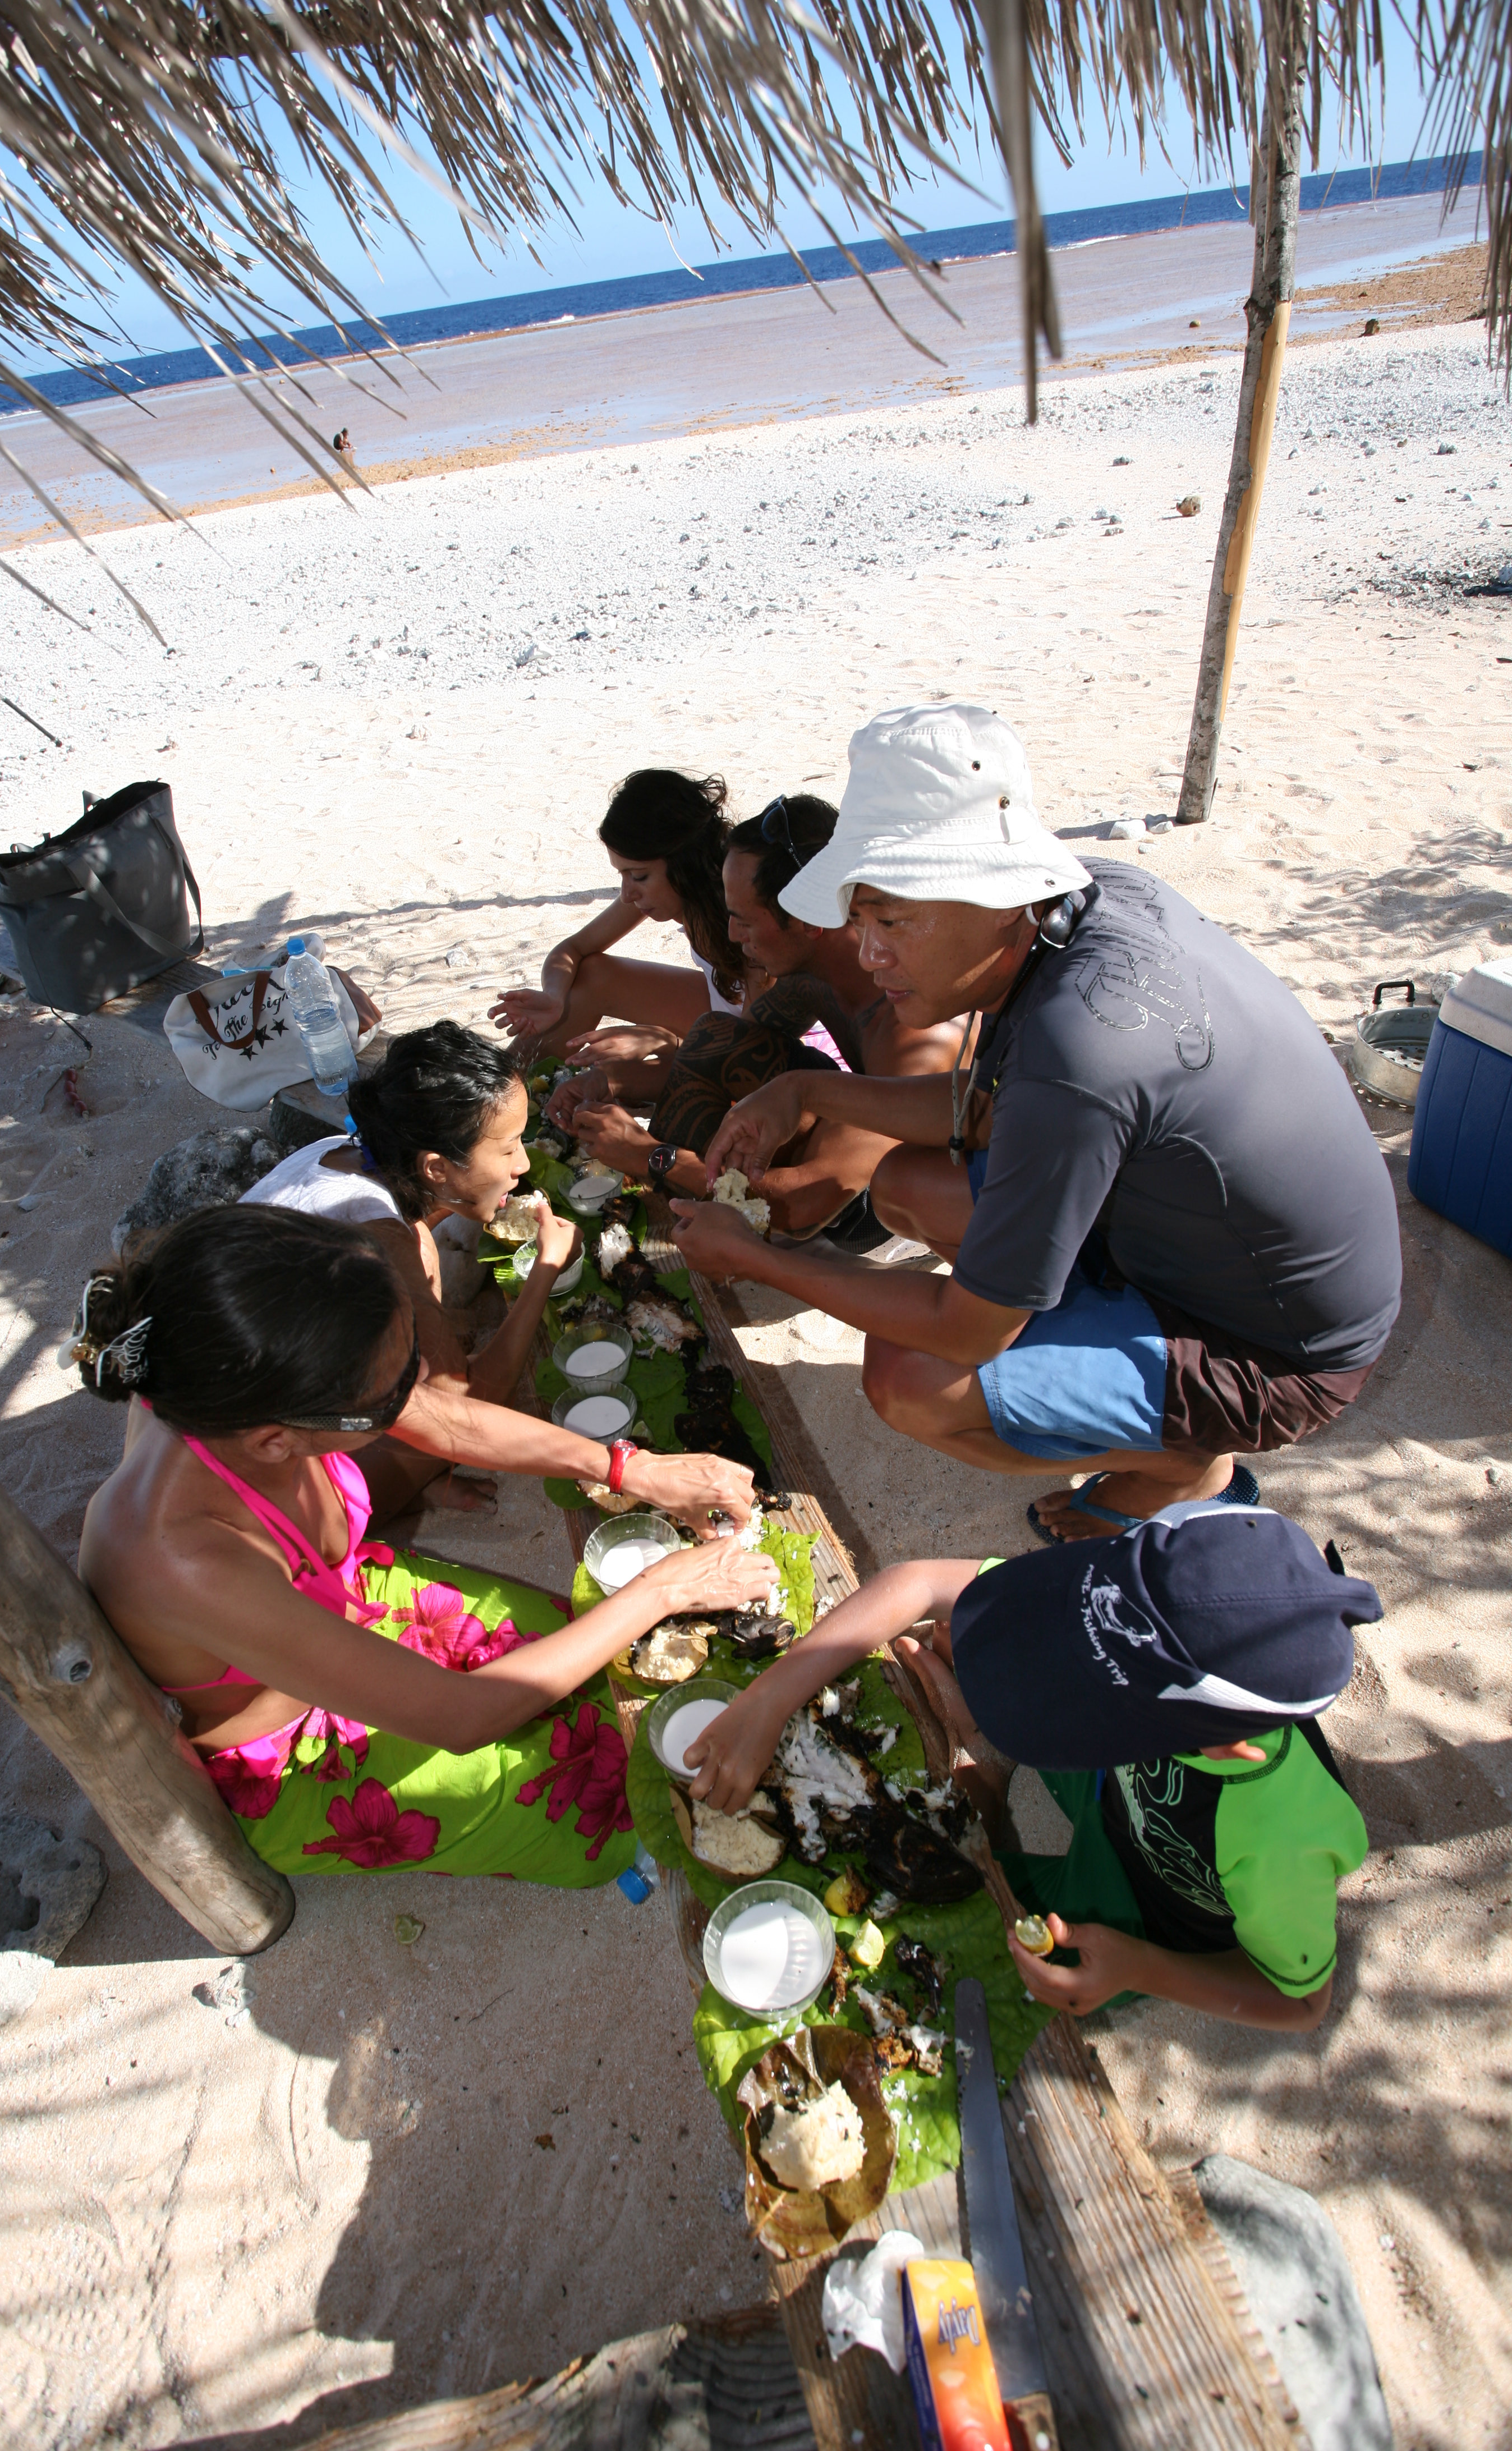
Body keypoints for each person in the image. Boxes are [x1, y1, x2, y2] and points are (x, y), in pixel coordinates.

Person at [670, 701, 1403, 1542]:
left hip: (1277, 1352)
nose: (870, 954)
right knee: (905, 1180)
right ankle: (1093, 1359)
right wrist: (804, 1095)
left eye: (895, 920)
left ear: (995, 894)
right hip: (1197, 1248)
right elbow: (984, 1114)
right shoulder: (1087, 897)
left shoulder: (1081, 1050)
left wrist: (755, 1254)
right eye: (860, 918)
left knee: (913, 1377)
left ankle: (1181, 1466)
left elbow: (965, 1330)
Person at [75, 1206, 777, 1884]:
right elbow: (461, 1717)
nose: (414, 1391)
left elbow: (447, 1423)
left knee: (606, 1666)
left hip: (346, 1602)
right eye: (386, 1399)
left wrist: (630, 1468)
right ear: (276, 1440)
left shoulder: (230, 1376)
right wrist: (666, 1588)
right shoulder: (183, 1557)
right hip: (295, 1752)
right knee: (609, 1795)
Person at [686, 1502, 1377, 2031]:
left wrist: (1138, 1968)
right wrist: (769, 1697)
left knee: (920, 1904)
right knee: (968, 1631)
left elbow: (1302, 2002)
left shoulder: (1272, 1835)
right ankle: (987, 1758)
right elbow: (919, 1584)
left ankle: (984, 1781)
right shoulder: (1145, 1620)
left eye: (1092, 1698)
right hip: (1113, 1786)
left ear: (1227, 1747)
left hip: (1152, 1908)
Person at [243, 1020, 757, 1529]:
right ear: (435, 1168)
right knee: (441, 1413)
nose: (522, 1165)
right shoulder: (385, 1242)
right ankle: (380, 1491)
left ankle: (405, 1477)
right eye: (508, 1147)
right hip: (254, 1481)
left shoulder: (341, 1152)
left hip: (275, 1392)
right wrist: (546, 1270)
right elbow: (467, 1407)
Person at [550, 792, 964, 1244]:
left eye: (744, 920)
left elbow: (809, 1203)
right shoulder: (820, 973)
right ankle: (669, 1210)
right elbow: (716, 1052)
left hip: (864, 1211)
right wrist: (615, 1080)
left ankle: (671, 1215)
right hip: (841, 1136)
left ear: (809, 920)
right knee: (719, 1033)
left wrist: (652, 1155)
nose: (732, 935)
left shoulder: (913, 1033)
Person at [487, 769, 748, 1083]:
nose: (627, 894)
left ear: (685, 861)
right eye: (622, 875)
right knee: (593, 974)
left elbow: (765, 1049)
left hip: (772, 1047)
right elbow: (573, 950)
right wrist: (555, 998)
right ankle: (495, 1091)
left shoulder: (744, 909)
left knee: (614, 1078)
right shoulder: (687, 889)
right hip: (727, 1013)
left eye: (638, 876)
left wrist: (664, 1044)